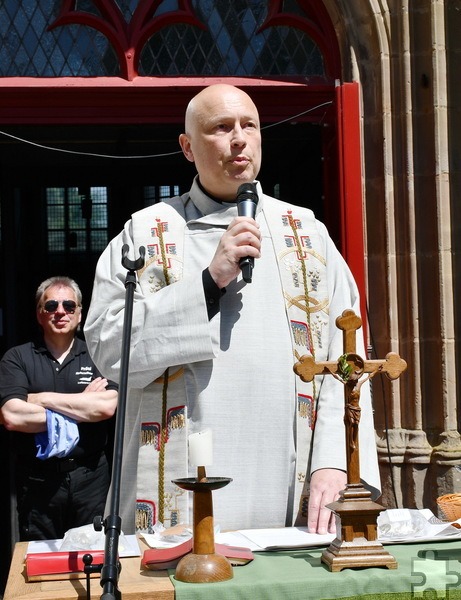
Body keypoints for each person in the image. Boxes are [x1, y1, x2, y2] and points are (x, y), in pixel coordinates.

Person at [84, 84, 381, 535]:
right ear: (187, 147)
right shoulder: (145, 233)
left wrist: (335, 462)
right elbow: (109, 349)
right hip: (177, 491)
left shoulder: (307, 233)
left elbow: (348, 359)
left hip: (289, 479)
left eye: (249, 126)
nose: (239, 138)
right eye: (221, 128)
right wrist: (207, 283)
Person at [0, 276, 118, 540]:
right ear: (40, 314)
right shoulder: (17, 358)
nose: (60, 311)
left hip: (90, 478)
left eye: (69, 305)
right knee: (41, 564)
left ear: (79, 314)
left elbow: (107, 407)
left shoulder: (99, 355)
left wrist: (38, 398)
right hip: (38, 481)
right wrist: (83, 407)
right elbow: (11, 415)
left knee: (91, 558)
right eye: (51, 305)